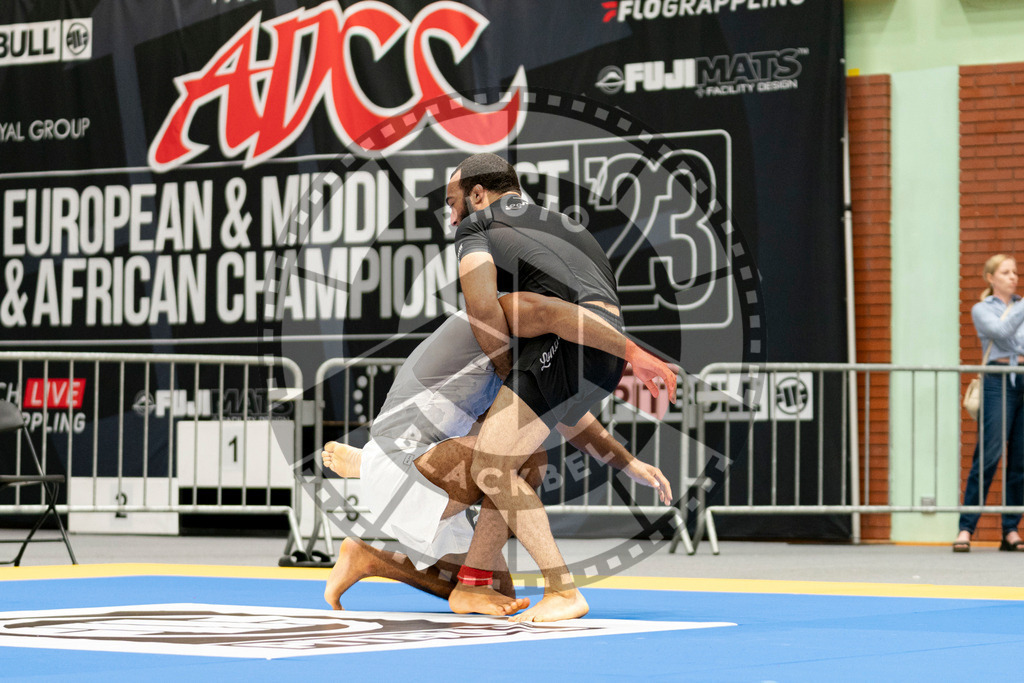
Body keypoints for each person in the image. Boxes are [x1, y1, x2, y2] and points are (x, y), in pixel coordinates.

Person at [321, 290, 676, 613]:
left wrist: (627, 462)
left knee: (501, 592)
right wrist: (631, 351)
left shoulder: (522, 355)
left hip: (431, 466)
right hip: (401, 463)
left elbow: (567, 416)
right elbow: (545, 310)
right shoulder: (498, 315)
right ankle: (368, 463)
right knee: (527, 457)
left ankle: (368, 560)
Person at [449, 153, 661, 622]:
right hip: (602, 356)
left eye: (453, 202)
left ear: (478, 194)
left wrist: (510, 375)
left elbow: (482, 310)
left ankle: (562, 589)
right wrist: (624, 459)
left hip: (567, 343)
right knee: (512, 463)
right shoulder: (564, 224)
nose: (452, 216)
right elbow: (593, 315)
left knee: (489, 465)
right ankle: (472, 583)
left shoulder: (476, 227)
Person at [954, 254, 1024, 552]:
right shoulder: (981, 309)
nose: (1013, 277)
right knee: (989, 456)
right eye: (1006, 272)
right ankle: (966, 528)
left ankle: (1010, 530)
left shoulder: (1018, 308)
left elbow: (1013, 339)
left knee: (1020, 461)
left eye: (1015, 272)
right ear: (990, 278)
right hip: (997, 382)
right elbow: (999, 333)